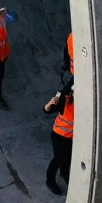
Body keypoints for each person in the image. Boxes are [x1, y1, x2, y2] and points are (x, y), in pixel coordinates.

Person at [44, 67, 74, 195]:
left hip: (71, 137)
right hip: (59, 135)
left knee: (67, 157)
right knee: (58, 158)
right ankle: (50, 180)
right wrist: (50, 103)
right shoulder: (65, 100)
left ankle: (64, 173)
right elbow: (47, 110)